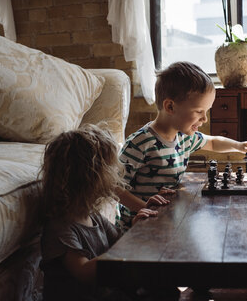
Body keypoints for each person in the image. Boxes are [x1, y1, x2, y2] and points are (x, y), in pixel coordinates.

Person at [118, 61, 247, 227]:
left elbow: (213, 143)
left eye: (206, 112)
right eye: (199, 111)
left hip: (167, 221)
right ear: (170, 106)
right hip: (137, 226)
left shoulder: (184, 138)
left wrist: (239, 145)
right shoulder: (140, 142)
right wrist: (145, 207)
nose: (204, 119)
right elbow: (112, 186)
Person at [39, 125, 158, 301]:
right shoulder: (60, 229)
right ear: (88, 178)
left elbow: (119, 245)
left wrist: (135, 229)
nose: (115, 177)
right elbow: (84, 272)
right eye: (109, 171)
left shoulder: (93, 217)